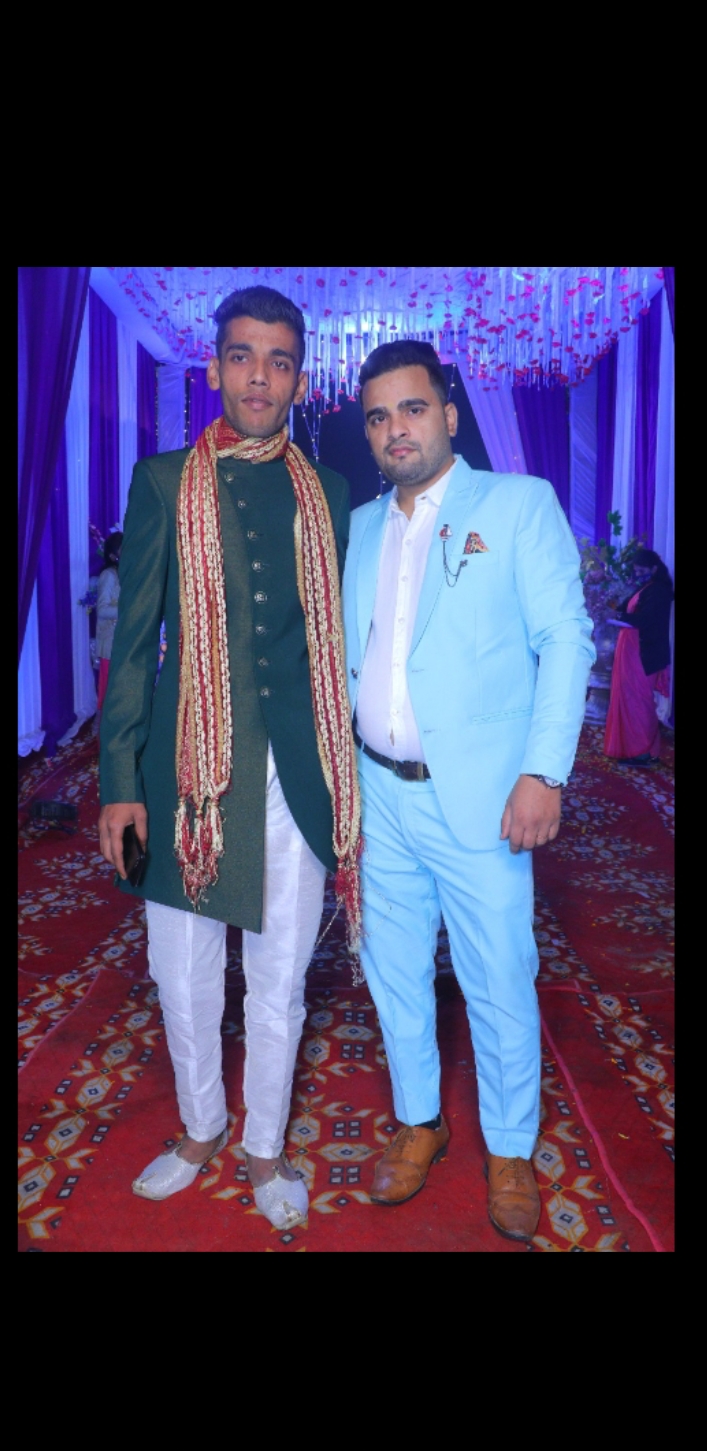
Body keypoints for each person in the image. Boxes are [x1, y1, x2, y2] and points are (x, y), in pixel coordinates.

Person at [98, 286, 361, 1230]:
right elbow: (134, 646)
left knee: (281, 975)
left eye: (279, 361)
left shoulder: (330, 494)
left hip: (295, 770)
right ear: (214, 369)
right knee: (181, 972)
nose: (260, 377)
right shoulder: (163, 481)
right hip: (184, 774)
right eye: (243, 356)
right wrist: (119, 785)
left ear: (300, 379)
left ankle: (264, 1144)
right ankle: (202, 1125)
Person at [342, 340, 595, 1243]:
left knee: (498, 977)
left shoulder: (517, 504)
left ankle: (511, 1147)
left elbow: (565, 638)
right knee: (393, 971)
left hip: (485, 797)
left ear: (449, 415)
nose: (395, 430)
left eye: (412, 409)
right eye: (378, 417)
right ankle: (420, 1121)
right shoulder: (361, 527)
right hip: (379, 795)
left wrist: (544, 771)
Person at [603, 547, 673, 764]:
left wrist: (617, 615)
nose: (638, 574)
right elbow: (625, 609)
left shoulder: (659, 590)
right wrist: (611, 606)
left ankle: (643, 752)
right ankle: (634, 749)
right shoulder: (646, 587)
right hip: (632, 652)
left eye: (641, 570)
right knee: (628, 698)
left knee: (639, 702)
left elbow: (646, 621)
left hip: (643, 653)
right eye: (636, 570)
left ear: (654, 568)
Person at [93, 531, 123, 732]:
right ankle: (101, 730)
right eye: (123, 549)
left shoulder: (126, 572)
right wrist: (128, 608)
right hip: (111, 642)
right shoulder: (109, 575)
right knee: (108, 689)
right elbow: (102, 610)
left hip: (124, 639)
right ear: (113, 555)